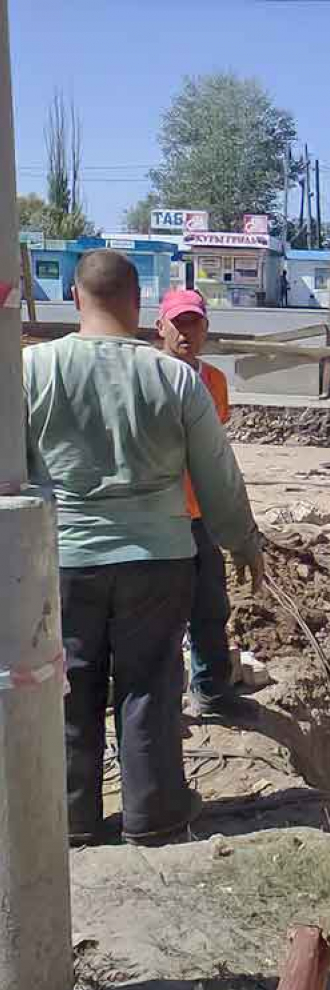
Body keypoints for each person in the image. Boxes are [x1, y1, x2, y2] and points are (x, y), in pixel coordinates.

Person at [24, 250, 265, 847]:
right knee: (150, 684)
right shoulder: (177, 379)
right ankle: (154, 815)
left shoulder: (31, 370)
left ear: (76, 299)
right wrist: (242, 539)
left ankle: (72, 818)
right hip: (159, 558)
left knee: (68, 685)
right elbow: (217, 475)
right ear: (139, 305)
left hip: (66, 559)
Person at [156, 289, 241, 718]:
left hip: (200, 515)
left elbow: (216, 452)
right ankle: (162, 703)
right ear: (161, 328)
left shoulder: (214, 383)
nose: (186, 331)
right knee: (161, 616)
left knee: (210, 607)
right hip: (158, 517)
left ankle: (210, 691)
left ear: (206, 328)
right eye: (178, 323)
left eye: (194, 323)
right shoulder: (148, 377)